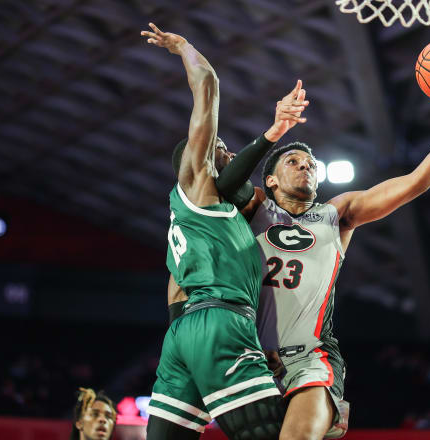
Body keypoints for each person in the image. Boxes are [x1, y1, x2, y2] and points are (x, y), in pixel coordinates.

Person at [228, 66, 430, 439]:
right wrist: (275, 132)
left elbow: (414, 183)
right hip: (251, 356)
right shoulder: (254, 207)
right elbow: (220, 181)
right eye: (294, 162)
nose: (306, 167)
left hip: (310, 358)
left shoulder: (337, 213)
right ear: (270, 180)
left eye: (311, 165)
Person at [139, 23, 307, 440]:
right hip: (220, 322)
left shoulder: (192, 221)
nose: (228, 152)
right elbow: (208, 83)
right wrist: (182, 47)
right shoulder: (195, 182)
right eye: (221, 148)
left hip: (182, 334)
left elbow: (176, 290)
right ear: (197, 160)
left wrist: (195, 345)